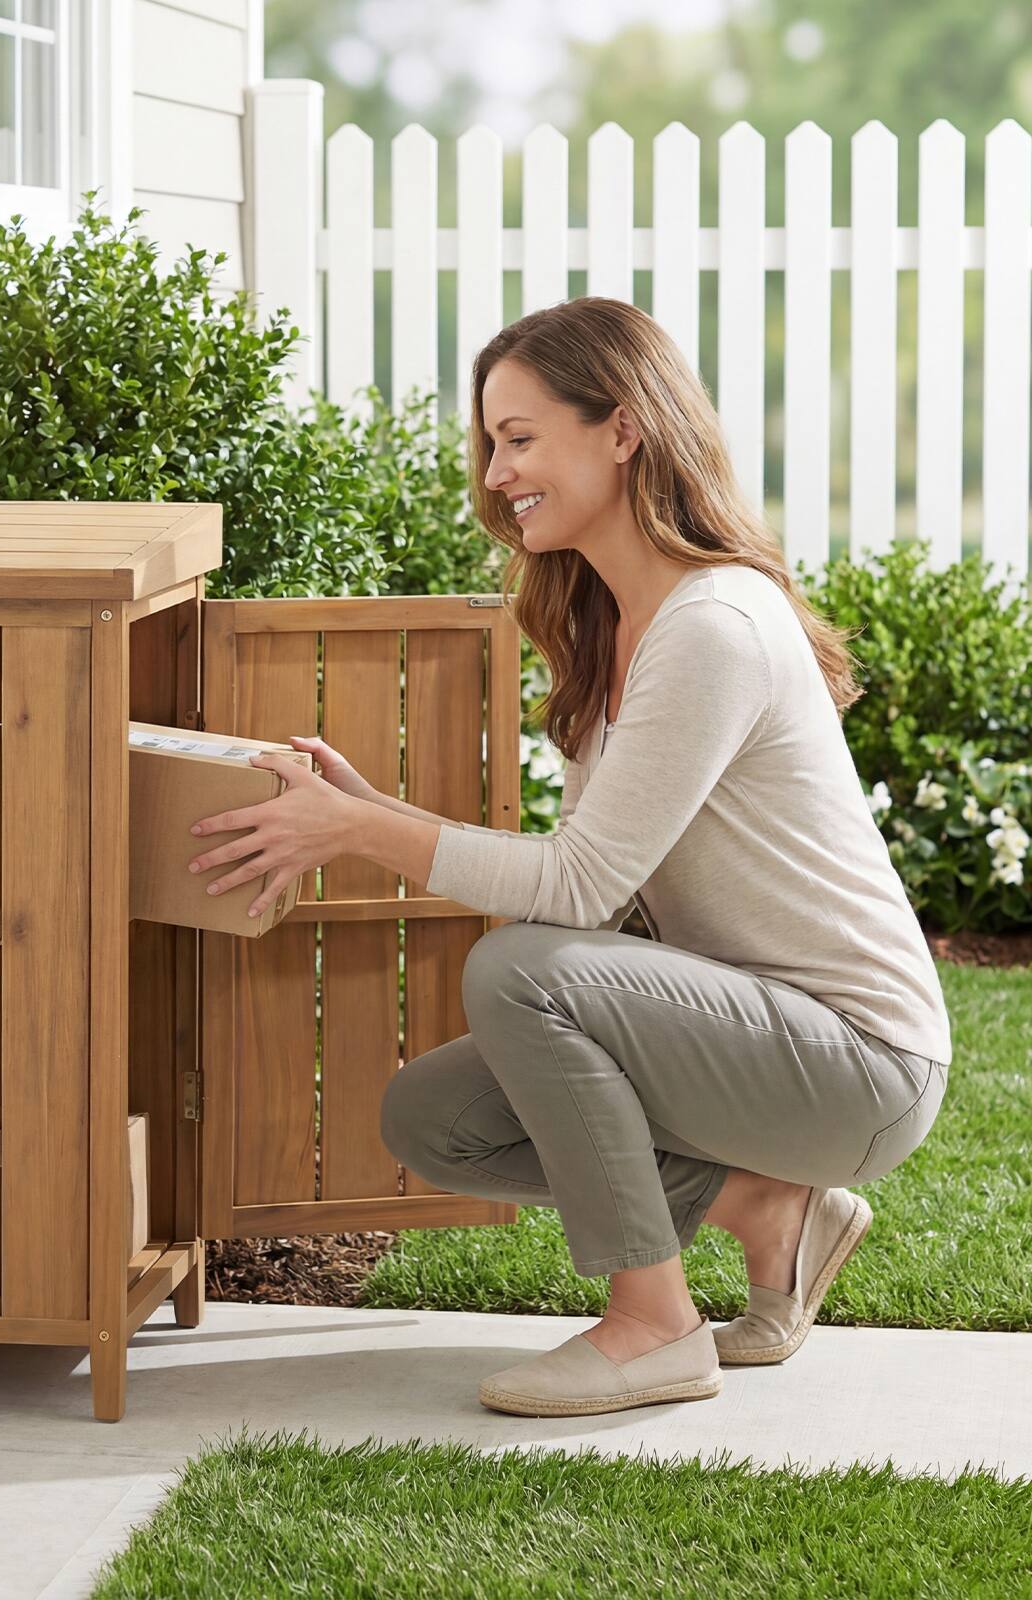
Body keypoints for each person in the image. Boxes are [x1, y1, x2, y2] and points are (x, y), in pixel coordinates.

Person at [184, 296, 952, 1419]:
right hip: (746, 1032)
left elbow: (578, 890)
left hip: (858, 1064)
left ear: (623, 431)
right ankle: (768, 1204)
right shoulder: (617, 622)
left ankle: (653, 1325)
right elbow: (597, 877)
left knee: (523, 971)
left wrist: (360, 834)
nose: (496, 475)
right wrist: (366, 806)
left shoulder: (713, 627)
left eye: (520, 438)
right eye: (492, 444)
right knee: (433, 1119)